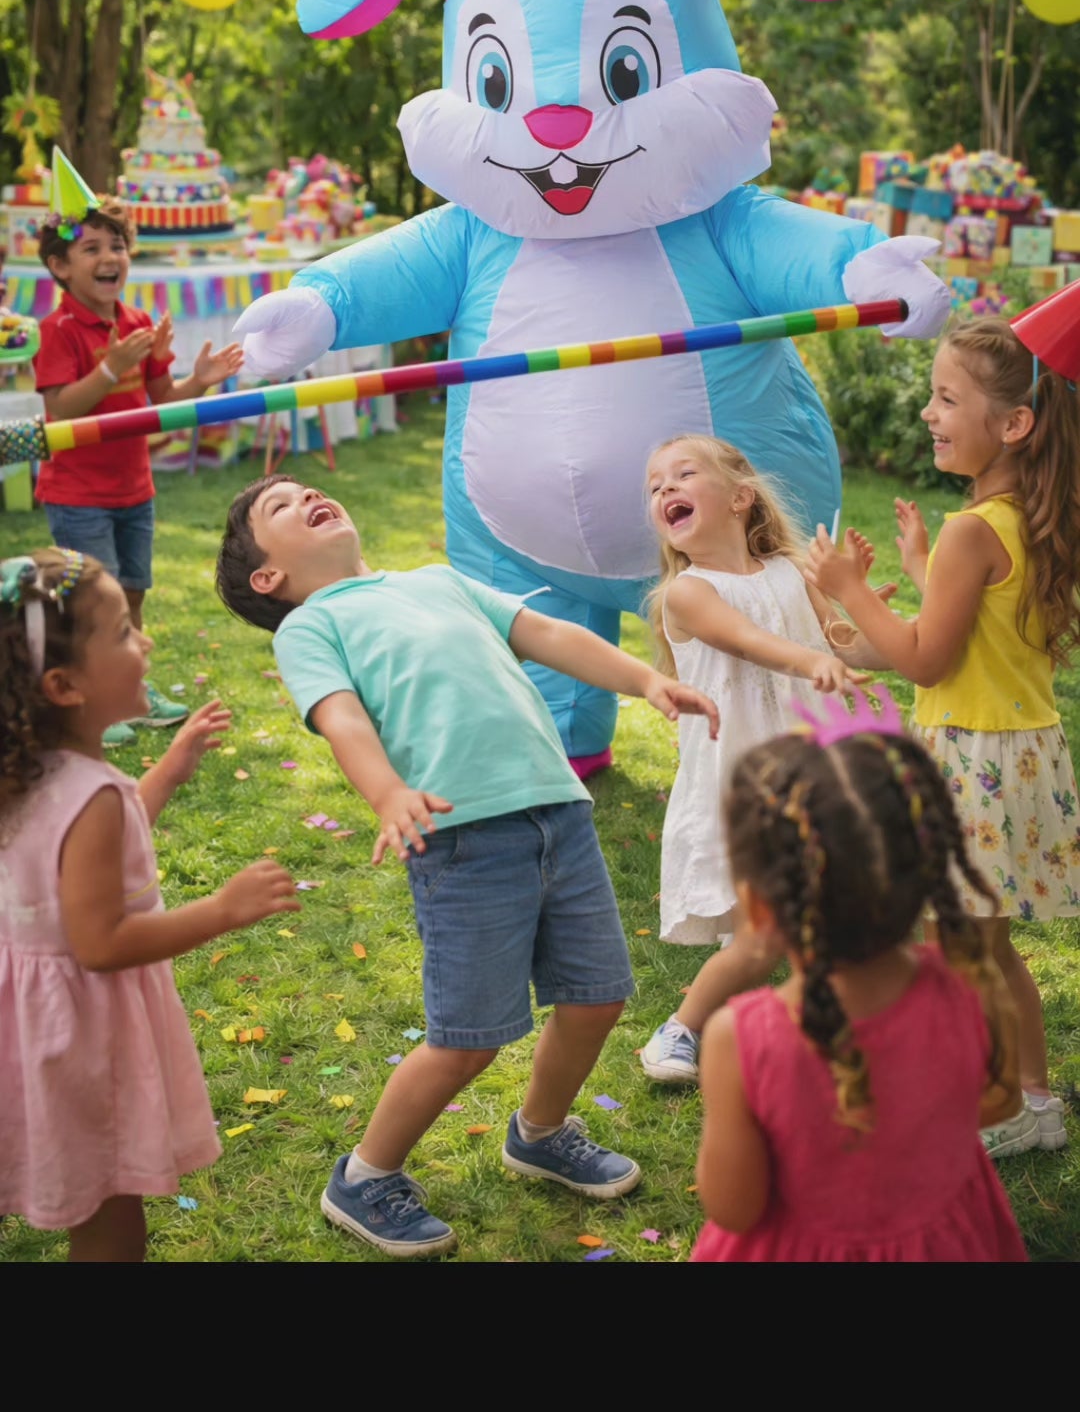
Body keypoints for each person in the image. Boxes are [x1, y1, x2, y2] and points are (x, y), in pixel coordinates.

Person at [215, 472, 720, 1260]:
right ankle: (365, 1176)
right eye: (280, 507)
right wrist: (386, 792)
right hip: (463, 839)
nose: (307, 496)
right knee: (467, 1037)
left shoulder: (436, 581)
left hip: (557, 811)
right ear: (267, 577)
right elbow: (340, 717)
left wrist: (645, 679)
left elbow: (546, 635)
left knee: (597, 998)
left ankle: (541, 1133)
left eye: (307, 489)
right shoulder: (310, 627)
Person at [805, 315, 1080, 1160]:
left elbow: (927, 661)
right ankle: (1033, 1102)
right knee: (990, 949)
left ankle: (988, 1104)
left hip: (974, 761)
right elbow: (968, 643)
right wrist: (913, 586)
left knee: (960, 950)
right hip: (1022, 750)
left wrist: (855, 590)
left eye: (946, 396)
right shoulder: (1023, 520)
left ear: (1015, 424)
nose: (927, 410)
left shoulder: (975, 530)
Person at [0, 548, 299, 1261]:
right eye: (124, 632)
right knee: (107, 1211)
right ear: (65, 684)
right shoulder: (90, 795)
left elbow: (94, 854)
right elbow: (99, 940)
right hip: (76, 1033)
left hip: (22, 1021)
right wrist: (223, 910)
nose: (148, 639)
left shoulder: (34, 772)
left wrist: (172, 764)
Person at [691, 697, 1028, 1262]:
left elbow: (734, 1207)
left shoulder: (738, 1038)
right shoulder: (970, 986)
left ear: (758, 907)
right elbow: (997, 1104)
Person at [638, 435, 881, 1088]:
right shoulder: (685, 594)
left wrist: (881, 622)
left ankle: (830, 1027)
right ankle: (682, 1027)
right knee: (761, 939)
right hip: (746, 782)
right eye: (655, 486)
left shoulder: (794, 571)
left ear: (741, 498)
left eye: (683, 475)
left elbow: (847, 645)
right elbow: (751, 643)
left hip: (817, 770)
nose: (664, 490)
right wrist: (813, 661)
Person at [35, 179, 243, 741]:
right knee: (90, 603)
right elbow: (58, 415)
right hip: (78, 495)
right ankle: (86, 701)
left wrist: (198, 380)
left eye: (117, 246)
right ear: (60, 267)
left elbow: (162, 403)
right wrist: (108, 368)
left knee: (131, 593)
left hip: (134, 489)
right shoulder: (56, 331)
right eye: (92, 248)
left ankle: (130, 689)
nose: (110, 258)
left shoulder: (135, 324)